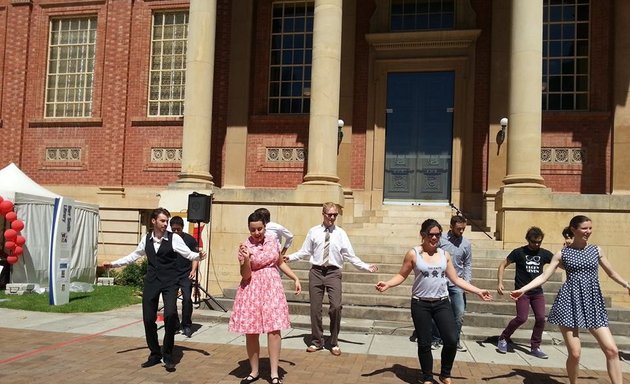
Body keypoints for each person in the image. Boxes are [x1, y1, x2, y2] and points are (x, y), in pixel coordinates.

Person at [511, 215, 630, 384]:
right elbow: (544, 276)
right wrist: (522, 290)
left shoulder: (596, 250)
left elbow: (611, 272)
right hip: (569, 302)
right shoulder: (562, 253)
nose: (588, 231)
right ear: (574, 229)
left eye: (590, 228)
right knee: (575, 353)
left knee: (612, 350)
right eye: (584, 228)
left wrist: (627, 284)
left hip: (593, 303)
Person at [375, 218, 492, 384]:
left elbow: (457, 280)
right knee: (424, 343)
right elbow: (402, 275)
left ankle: (445, 373)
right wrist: (388, 284)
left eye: (438, 235)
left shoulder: (445, 255)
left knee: (451, 339)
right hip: (420, 303)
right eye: (431, 235)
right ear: (423, 235)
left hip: (441, 303)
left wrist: (478, 291)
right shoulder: (413, 253)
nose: (435, 238)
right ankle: (428, 377)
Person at [103, 207, 206, 370]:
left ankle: (168, 353)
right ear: (154, 221)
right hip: (152, 281)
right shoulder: (146, 239)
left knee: (170, 314)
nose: (166, 224)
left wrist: (198, 256)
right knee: (149, 319)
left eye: (167, 221)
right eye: (163, 221)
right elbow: (133, 256)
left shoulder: (174, 239)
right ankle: (155, 353)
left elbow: (188, 254)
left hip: (170, 281)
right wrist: (114, 264)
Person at [286, 202, 378, 356]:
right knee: (315, 308)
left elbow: (350, 255)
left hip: (333, 273)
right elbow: (305, 251)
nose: (333, 217)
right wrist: (289, 257)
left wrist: (365, 266)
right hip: (316, 272)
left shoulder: (340, 233)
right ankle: (317, 341)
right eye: (330, 214)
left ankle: (333, 341)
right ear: (323, 214)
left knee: (336, 306)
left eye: (335, 214)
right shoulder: (314, 231)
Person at [229, 211, 301, 384]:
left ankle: (274, 373)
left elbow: (280, 261)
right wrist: (246, 260)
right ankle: (254, 371)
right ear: (249, 229)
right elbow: (245, 275)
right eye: (253, 229)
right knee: (251, 331)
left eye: (260, 228)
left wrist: (295, 278)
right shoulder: (245, 246)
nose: (257, 233)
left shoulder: (273, 240)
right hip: (251, 288)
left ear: (265, 227)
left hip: (272, 286)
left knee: (274, 329)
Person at [496, 226, 554, 358]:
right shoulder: (519, 252)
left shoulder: (544, 253)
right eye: (534, 242)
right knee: (522, 318)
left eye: (539, 242)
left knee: (540, 318)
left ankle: (535, 346)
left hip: (537, 292)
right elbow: (502, 265)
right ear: (528, 240)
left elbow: (559, 263)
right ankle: (503, 338)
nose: (537, 244)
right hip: (522, 292)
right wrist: (500, 282)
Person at [432, 215, 472, 352]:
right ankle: (436, 338)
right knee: (437, 311)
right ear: (451, 226)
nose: (461, 231)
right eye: (458, 229)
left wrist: (467, 282)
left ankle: (454, 340)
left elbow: (467, 264)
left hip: (458, 282)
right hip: (441, 280)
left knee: (459, 313)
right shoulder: (440, 239)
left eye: (463, 229)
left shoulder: (466, 244)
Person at [169, 215, 198, 338]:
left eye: (178, 230)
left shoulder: (190, 240)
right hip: (171, 274)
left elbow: (195, 256)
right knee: (171, 300)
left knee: (187, 298)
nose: (176, 232)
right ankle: (174, 325)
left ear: (182, 228)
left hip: (185, 273)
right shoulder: (167, 239)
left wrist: (193, 270)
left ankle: (186, 324)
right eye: (173, 230)